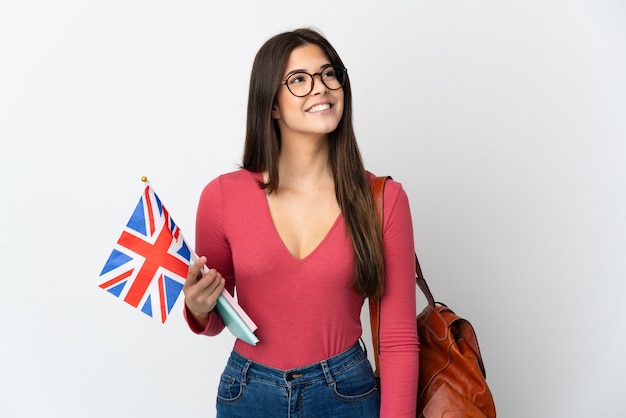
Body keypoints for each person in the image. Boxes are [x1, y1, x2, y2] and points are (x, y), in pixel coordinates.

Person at [183, 27, 419, 417]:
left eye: (329, 74)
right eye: (298, 80)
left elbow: (397, 340)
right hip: (248, 393)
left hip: (346, 394)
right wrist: (197, 308)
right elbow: (215, 318)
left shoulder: (384, 200)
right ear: (271, 104)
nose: (321, 88)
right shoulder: (222, 197)